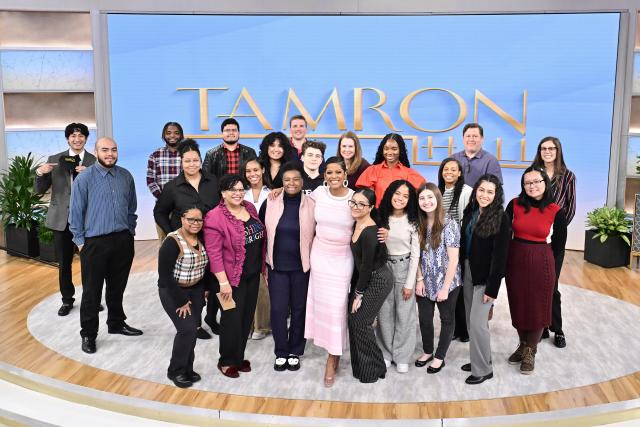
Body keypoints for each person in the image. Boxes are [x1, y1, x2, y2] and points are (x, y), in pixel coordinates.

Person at [69, 137, 142, 354]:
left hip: (122, 240)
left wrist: (130, 232)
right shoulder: (84, 179)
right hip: (94, 243)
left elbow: (132, 208)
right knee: (92, 292)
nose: (110, 153)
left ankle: (116, 323)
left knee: (117, 287)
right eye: (105, 150)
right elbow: (75, 213)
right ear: (96, 151)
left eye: (114, 150)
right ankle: (89, 334)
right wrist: (81, 243)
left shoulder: (125, 176)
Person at [153, 139, 220, 339]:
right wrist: (172, 232)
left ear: (201, 161)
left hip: (212, 239)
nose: (192, 164)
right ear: (181, 162)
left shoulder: (213, 181)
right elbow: (160, 212)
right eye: (187, 161)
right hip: (188, 243)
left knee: (214, 280)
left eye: (195, 160)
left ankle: (211, 317)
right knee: (193, 283)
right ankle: (195, 323)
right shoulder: (173, 186)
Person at [505, 166, 567, 375]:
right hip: (516, 258)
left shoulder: (556, 211)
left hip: (542, 260)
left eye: (536, 182)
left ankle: (531, 350)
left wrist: (554, 273)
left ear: (545, 183)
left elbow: (559, 246)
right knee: (519, 303)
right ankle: (522, 344)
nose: (532, 186)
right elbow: (505, 234)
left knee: (538, 307)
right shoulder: (513, 205)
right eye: (527, 183)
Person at [203, 175, 265, 378]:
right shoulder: (214, 217)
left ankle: (238, 357)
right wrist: (223, 283)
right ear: (223, 193)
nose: (238, 193)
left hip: (252, 275)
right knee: (231, 320)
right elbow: (214, 253)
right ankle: (226, 361)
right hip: (228, 281)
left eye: (240, 189)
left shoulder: (249, 208)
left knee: (246, 319)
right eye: (232, 190)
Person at [35, 123, 96, 316]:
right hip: (61, 219)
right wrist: (40, 173)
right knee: (64, 263)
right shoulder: (54, 159)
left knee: (91, 263)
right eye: (73, 136)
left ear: (86, 138)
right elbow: (40, 190)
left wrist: (91, 176)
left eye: (81, 136)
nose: (77, 139)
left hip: (88, 221)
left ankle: (91, 298)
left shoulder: (95, 161)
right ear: (67, 138)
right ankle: (67, 299)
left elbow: (101, 192)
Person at [259, 161, 315, 371]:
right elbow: (261, 232)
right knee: (279, 310)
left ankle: (295, 350)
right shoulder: (271, 202)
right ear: (281, 183)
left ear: (302, 182)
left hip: (302, 267)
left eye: (296, 179)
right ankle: (281, 351)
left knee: (299, 309)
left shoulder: (312, 204)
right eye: (287, 180)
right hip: (277, 267)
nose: (292, 183)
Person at [304, 157, 354, 387]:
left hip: (342, 258)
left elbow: (367, 221)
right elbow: (298, 204)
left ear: (345, 174)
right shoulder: (317, 193)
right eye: (329, 173)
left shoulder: (355, 198)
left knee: (337, 308)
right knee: (322, 306)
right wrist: (276, 191)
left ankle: (332, 358)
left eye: (337, 172)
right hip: (320, 256)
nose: (333, 176)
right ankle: (328, 347)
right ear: (324, 175)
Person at [459, 174, 511, 385]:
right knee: (472, 323)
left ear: (496, 195)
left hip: (486, 278)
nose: (485, 195)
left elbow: (500, 258)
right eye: (482, 190)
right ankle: (479, 358)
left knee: (478, 323)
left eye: (490, 192)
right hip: (469, 270)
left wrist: (492, 288)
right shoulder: (471, 211)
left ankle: (483, 370)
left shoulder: (501, 218)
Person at [158, 207, 210, 388]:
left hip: (195, 289)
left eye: (199, 220)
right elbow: (164, 275)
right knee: (186, 329)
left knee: (193, 331)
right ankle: (176, 371)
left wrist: (205, 290)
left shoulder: (202, 238)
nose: (195, 223)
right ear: (182, 219)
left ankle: (187, 368)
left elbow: (205, 268)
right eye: (191, 219)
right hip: (173, 290)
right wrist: (181, 300)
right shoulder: (172, 241)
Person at [531, 136, 576, 348]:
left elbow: (571, 207)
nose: (547, 151)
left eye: (551, 148)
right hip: (533, 237)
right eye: (543, 148)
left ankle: (557, 329)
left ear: (558, 151)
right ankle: (542, 326)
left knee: (552, 284)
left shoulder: (567, 176)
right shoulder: (533, 172)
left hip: (554, 237)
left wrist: (555, 226)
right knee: (537, 283)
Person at [414, 183, 462, 374]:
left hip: (448, 282)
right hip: (425, 279)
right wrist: (419, 279)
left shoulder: (449, 223)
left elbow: (454, 259)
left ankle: (439, 356)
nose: (426, 202)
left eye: (430, 197)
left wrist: (445, 288)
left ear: (438, 199)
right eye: (422, 198)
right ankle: (427, 351)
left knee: (446, 318)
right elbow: (415, 255)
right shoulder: (418, 224)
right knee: (425, 319)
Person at [348, 188, 393, 384]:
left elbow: (366, 267)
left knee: (361, 323)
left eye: (361, 204)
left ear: (370, 208)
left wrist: (358, 295)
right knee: (354, 322)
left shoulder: (371, 232)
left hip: (378, 279)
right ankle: (364, 367)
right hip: (366, 278)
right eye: (353, 202)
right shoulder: (356, 224)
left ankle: (372, 370)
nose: (356, 207)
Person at [375, 180, 420, 373]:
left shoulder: (413, 220)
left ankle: (402, 355)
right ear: (390, 193)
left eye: (405, 195)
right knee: (384, 314)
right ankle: (386, 353)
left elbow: (416, 254)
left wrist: (410, 283)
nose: (400, 198)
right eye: (397, 193)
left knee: (405, 315)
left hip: (404, 268)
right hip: (384, 267)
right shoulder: (380, 217)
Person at [437, 157, 473, 343]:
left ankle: (464, 330)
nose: (449, 172)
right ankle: (454, 328)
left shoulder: (467, 192)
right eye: (445, 169)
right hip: (442, 247)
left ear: (460, 173)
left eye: (453, 169)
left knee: (460, 288)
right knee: (450, 287)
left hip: (460, 246)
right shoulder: (439, 192)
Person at [243, 158, 272, 340]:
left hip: (267, 241)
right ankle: (247, 324)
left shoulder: (272, 193)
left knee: (263, 285)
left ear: (262, 170)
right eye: (248, 171)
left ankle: (262, 326)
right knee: (246, 286)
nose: (252, 174)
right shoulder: (241, 193)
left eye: (256, 169)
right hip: (246, 243)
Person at [355, 133, 425, 206]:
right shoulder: (372, 170)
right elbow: (363, 197)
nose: (389, 152)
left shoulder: (409, 173)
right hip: (377, 215)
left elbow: (422, 192)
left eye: (394, 149)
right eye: (386, 148)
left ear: (400, 150)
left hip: (401, 216)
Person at [147, 122, 184, 239]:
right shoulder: (155, 155)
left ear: (181, 135)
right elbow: (151, 180)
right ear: (164, 135)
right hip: (163, 208)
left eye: (176, 133)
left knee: (186, 242)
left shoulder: (188, 154)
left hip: (184, 206)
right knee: (165, 242)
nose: (172, 135)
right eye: (168, 133)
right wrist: (164, 198)